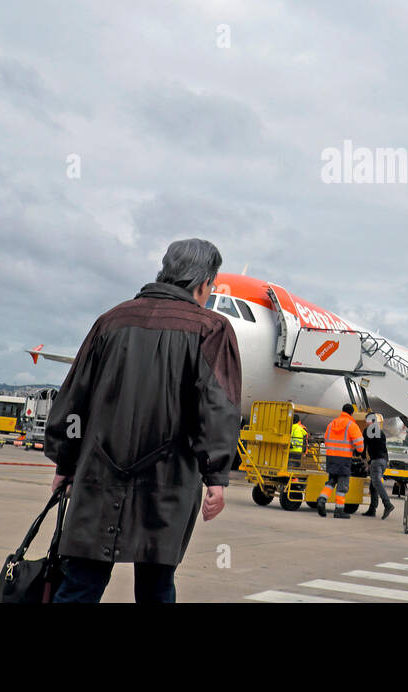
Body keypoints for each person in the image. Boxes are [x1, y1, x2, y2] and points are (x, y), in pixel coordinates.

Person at [45, 238, 242, 602]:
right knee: (156, 586)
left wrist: (65, 461)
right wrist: (216, 475)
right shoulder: (211, 329)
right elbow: (216, 407)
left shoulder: (110, 320)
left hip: (97, 476)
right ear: (202, 283)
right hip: (167, 483)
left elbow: (74, 397)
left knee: (80, 584)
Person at [317, 403, 364, 518]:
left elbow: (326, 439)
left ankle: (322, 499)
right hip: (344, 459)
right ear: (351, 413)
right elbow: (360, 446)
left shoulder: (332, 423)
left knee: (331, 481)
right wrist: (357, 449)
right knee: (342, 486)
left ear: (342, 411)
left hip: (331, 457)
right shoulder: (351, 425)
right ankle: (339, 510)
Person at [361, 413, 395, 519]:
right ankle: (372, 509)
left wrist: (363, 459)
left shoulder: (367, 431)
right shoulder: (381, 432)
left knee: (376, 483)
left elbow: (363, 448)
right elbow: (381, 448)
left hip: (376, 461)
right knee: (373, 485)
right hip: (384, 461)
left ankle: (387, 504)